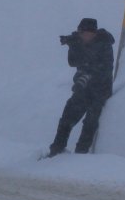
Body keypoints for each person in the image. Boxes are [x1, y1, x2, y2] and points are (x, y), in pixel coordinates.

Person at [47, 17, 115, 157]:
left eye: (89, 34)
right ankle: (56, 150)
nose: (86, 37)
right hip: (83, 87)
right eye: (83, 34)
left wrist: (87, 75)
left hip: (101, 88)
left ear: (94, 33)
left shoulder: (104, 43)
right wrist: (73, 45)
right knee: (68, 116)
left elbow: (104, 68)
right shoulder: (77, 41)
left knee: (91, 120)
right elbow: (73, 62)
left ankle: (81, 153)